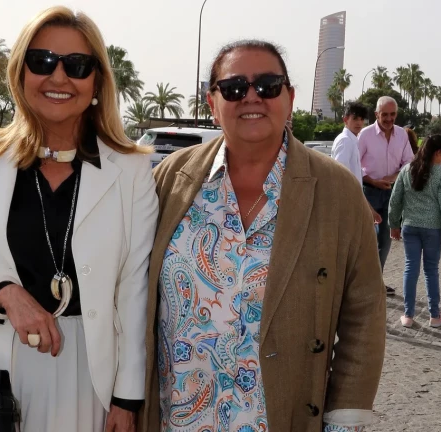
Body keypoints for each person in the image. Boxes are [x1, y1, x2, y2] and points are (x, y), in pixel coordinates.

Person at [0, 7, 158, 432]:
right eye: (42, 61)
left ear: (96, 83)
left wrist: (126, 399)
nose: (58, 77)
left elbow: (134, 292)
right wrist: (4, 294)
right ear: (20, 74)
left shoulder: (130, 171)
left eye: (76, 65)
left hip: (86, 377)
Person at [140, 39, 385, 432]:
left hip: (283, 417)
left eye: (268, 85)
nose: (251, 97)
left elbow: (365, 310)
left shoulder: (336, 190)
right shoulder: (170, 179)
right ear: (212, 102)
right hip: (179, 419)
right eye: (234, 87)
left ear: (289, 97)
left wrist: (344, 418)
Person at [389, 135, 441, 328]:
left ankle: (408, 316)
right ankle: (435, 316)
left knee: (410, 269)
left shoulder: (406, 170)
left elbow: (395, 200)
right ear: (438, 153)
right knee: (431, 271)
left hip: (409, 226)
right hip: (432, 229)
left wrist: (394, 224)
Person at [358, 96, 414, 295]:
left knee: (386, 242)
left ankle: (375, 282)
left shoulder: (402, 135)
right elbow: (353, 166)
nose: (389, 119)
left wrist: (394, 176)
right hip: (369, 194)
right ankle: (362, 284)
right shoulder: (364, 135)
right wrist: (372, 181)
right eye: (385, 115)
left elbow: (409, 163)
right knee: (367, 243)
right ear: (376, 115)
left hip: (392, 194)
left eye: (393, 114)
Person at [331, 101, 382, 224]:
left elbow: (355, 178)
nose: (359, 122)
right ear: (345, 119)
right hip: (346, 207)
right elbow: (341, 176)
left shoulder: (352, 141)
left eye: (361, 119)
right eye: (355, 118)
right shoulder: (345, 141)